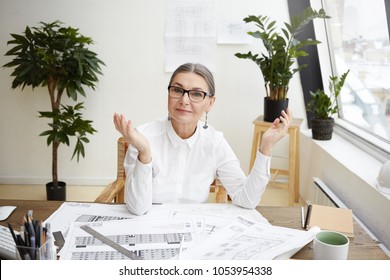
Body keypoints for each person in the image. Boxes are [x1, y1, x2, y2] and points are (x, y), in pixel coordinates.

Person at [114, 63, 292, 215]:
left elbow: (246, 199)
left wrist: (266, 146)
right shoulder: (143, 137)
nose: (184, 100)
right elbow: (138, 208)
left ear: (210, 103)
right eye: (177, 90)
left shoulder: (215, 142)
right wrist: (144, 153)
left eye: (196, 94)